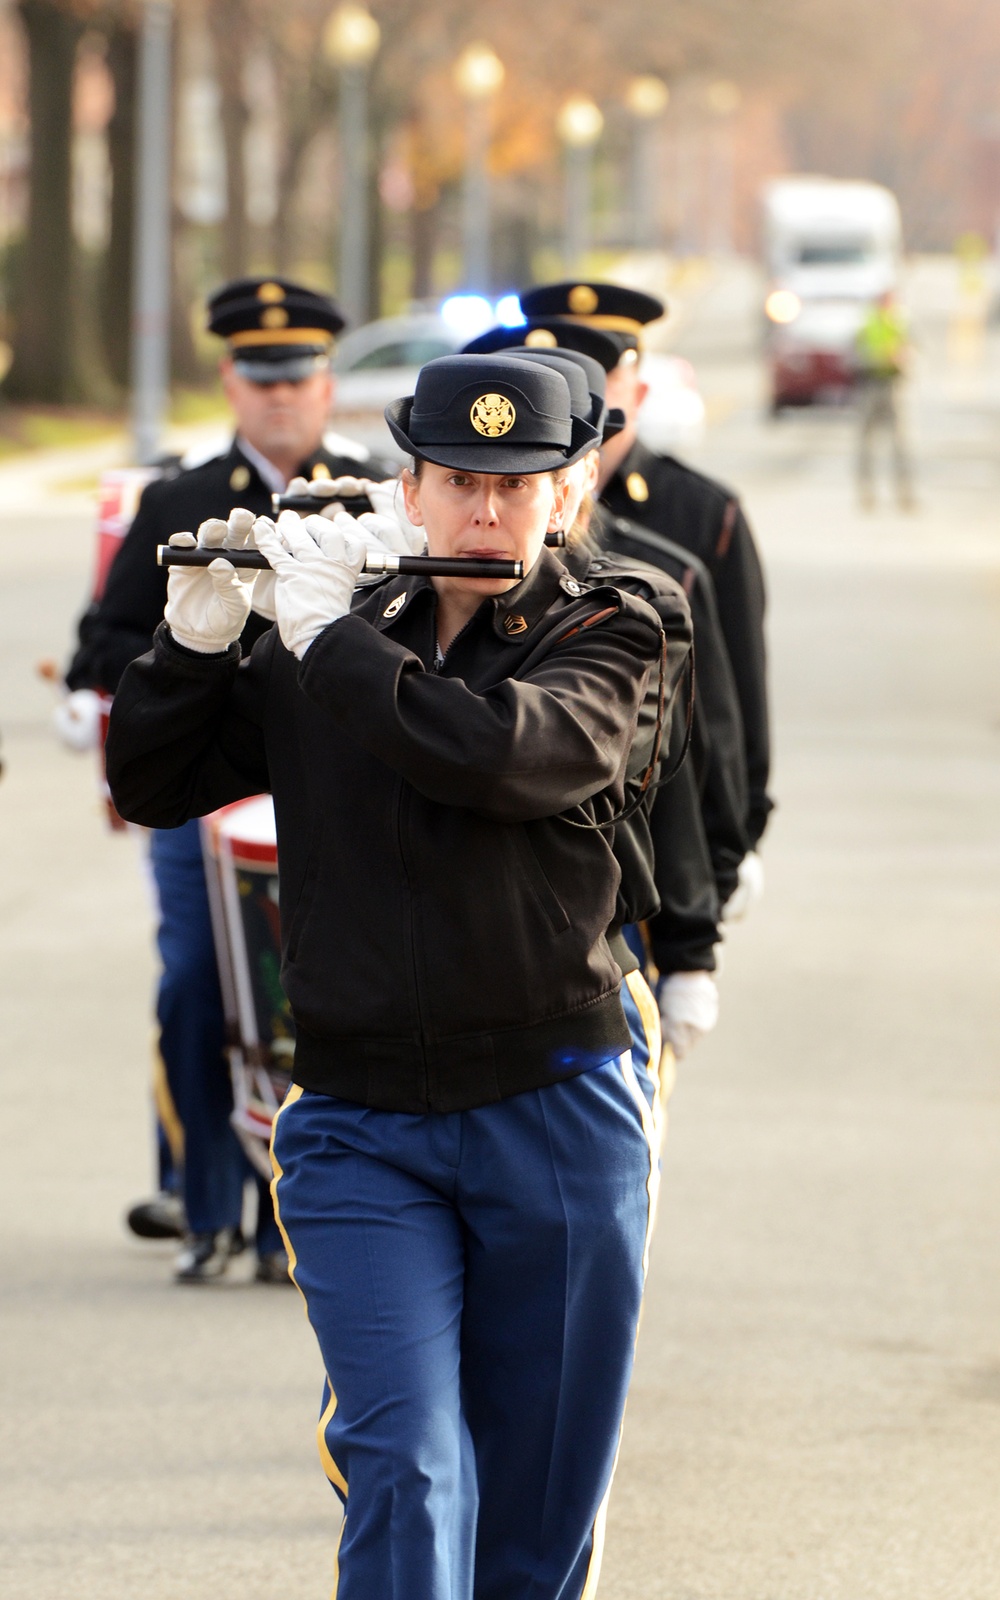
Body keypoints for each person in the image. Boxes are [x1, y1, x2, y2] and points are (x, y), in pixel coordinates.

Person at [105, 352, 692, 1598]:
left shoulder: (616, 624)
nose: (487, 514)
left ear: (565, 497)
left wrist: (324, 639)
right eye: (461, 482)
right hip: (363, 1123)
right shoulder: (335, 620)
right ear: (407, 487)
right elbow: (151, 785)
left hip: (558, 1107)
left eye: (517, 487)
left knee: (536, 1515)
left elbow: (500, 756)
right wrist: (197, 643)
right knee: (409, 1465)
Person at [65, 276, 392, 1284]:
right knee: (198, 988)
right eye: (262, 379)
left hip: (330, 789)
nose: (282, 397)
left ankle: (304, 1212)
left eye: (297, 377)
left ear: (328, 382)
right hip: (208, 791)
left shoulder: (377, 493)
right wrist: (108, 690)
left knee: (325, 994)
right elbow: (109, 638)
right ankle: (207, 1204)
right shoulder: (180, 499)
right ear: (230, 382)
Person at [516, 280, 774, 893]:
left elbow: (732, 696)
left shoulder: (703, 513)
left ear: (637, 384)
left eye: (598, 369)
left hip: (657, 858)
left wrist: (733, 839)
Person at [855, 290, 915, 511]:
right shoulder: (868, 323)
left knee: (899, 444)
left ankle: (904, 493)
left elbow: (911, 352)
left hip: (892, 386)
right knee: (867, 444)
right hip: (870, 384)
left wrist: (903, 358)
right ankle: (866, 493)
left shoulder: (898, 323)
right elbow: (856, 353)